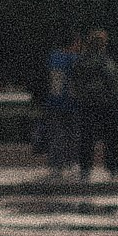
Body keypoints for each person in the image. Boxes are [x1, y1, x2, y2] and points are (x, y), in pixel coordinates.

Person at [73, 29, 118, 182]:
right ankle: (113, 167)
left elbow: (76, 80)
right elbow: (112, 80)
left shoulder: (81, 60)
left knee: (86, 137)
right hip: (106, 103)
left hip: (86, 104)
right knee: (111, 136)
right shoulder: (104, 60)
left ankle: (85, 169)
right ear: (102, 44)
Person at [42, 29, 80, 182]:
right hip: (71, 103)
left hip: (53, 102)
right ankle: (72, 163)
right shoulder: (75, 59)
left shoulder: (53, 57)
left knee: (56, 135)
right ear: (73, 43)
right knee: (73, 135)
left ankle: (55, 165)